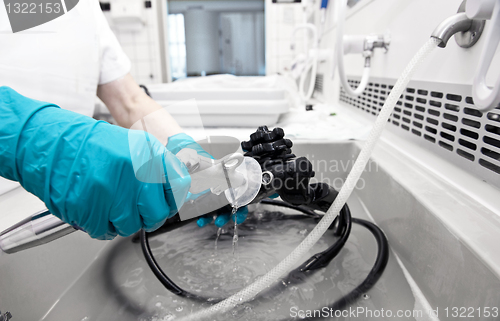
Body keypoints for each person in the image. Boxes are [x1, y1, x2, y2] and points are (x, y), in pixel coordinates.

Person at [0, 0, 246, 240]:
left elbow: (129, 101)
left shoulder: (84, 7)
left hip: (82, 195)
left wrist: (188, 156)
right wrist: (27, 136)